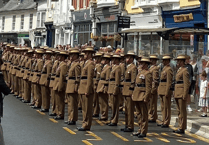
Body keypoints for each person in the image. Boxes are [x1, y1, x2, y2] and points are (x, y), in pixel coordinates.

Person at [132, 57, 152, 138]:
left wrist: (146, 97)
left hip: (142, 95)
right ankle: (139, 129)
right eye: (141, 63)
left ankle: (143, 131)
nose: (141, 64)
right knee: (138, 114)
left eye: (143, 63)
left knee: (144, 115)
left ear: (146, 64)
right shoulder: (140, 72)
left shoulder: (148, 73)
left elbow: (148, 87)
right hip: (137, 94)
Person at [77, 47, 95, 131]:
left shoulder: (90, 64)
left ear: (89, 54)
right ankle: (84, 123)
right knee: (84, 108)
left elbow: (90, 78)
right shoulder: (86, 63)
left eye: (86, 53)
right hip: (82, 87)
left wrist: (88, 90)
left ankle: (86, 124)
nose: (84, 55)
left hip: (86, 88)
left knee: (87, 108)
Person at [121, 51, 137, 132]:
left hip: (129, 90)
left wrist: (131, 90)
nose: (126, 59)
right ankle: (127, 124)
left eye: (128, 57)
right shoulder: (127, 67)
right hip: (125, 89)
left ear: (131, 58)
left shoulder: (133, 68)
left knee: (130, 109)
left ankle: (130, 126)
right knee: (126, 109)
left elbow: (133, 80)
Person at [173, 54, 190, 134]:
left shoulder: (185, 70)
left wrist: (185, 94)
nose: (178, 62)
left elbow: (186, 84)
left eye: (179, 61)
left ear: (183, 62)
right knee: (179, 111)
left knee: (182, 111)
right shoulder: (179, 70)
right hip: (177, 92)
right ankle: (180, 126)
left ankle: (182, 127)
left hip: (181, 92)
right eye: (177, 61)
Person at [65, 48, 81, 125]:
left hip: (73, 84)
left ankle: (73, 118)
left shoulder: (77, 65)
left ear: (76, 56)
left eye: (72, 55)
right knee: (69, 103)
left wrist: (76, 86)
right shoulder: (71, 64)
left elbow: (78, 77)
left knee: (73, 103)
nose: (70, 57)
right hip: (69, 84)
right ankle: (70, 117)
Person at [157, 54, 173, 128]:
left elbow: (169, 81)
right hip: (162, 88)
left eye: (164, 60)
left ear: (167, 61)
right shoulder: (164, 68)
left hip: (165, 89)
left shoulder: (169, 69)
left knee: (166, 107)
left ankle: (166, 121)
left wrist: (167, 91)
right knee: (163, 107)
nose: (163, 62)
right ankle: (163, 120)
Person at [107, 54, 121, 126]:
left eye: (114, 59)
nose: (112, 60)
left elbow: (117, 80)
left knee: (114, 105)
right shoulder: (113, 67)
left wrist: (116, 88)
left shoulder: (117, 68)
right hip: (111, 86)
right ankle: (112, 118)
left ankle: (114, 119)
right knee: (111, 104)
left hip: (113, 87)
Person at [96, 53, 111, 121]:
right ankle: (102, 113)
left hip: (103, 86)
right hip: (101, 84)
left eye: (104, 59)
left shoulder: (108, 68)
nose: (102, 61)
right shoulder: (104, 67)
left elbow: (107, 79)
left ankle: (104, 115)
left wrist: (106, 87)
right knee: (101, 102)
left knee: (104, 102)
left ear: (107, 60)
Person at [148, 54, 159, 123]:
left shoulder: (155, 68)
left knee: (152, 104)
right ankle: (151, 115)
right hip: (150, 86)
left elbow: (155, 79)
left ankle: (152, 116)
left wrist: (153, 88)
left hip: (152, 87)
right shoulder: (151, 68)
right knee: (150, 103)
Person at [92, 52, 103, 117]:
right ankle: (94, 110)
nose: (95, 60)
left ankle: (96, 111)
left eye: (96, 58)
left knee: (96, 98)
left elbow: (98, 75)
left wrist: (96, 82)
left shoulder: (99, 66)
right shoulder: (95, 65)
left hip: (96, 82)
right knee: (94, 98)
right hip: (94, 81)